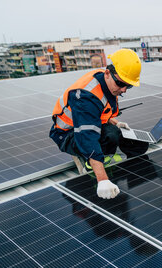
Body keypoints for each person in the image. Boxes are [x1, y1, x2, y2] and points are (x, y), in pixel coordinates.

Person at [50, 49, 148, 199]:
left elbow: (99, 112)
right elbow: (86, 135)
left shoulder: (108, 83)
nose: (124, 90)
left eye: (128, 86)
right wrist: (102, 180)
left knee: (140, 145)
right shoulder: (85, 96)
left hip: (89, 126)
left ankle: (106, 154)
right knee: (110, 134)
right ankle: (89, 163)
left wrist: (115, 122)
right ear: (107, 73)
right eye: (121, 83)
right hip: (70, 134)